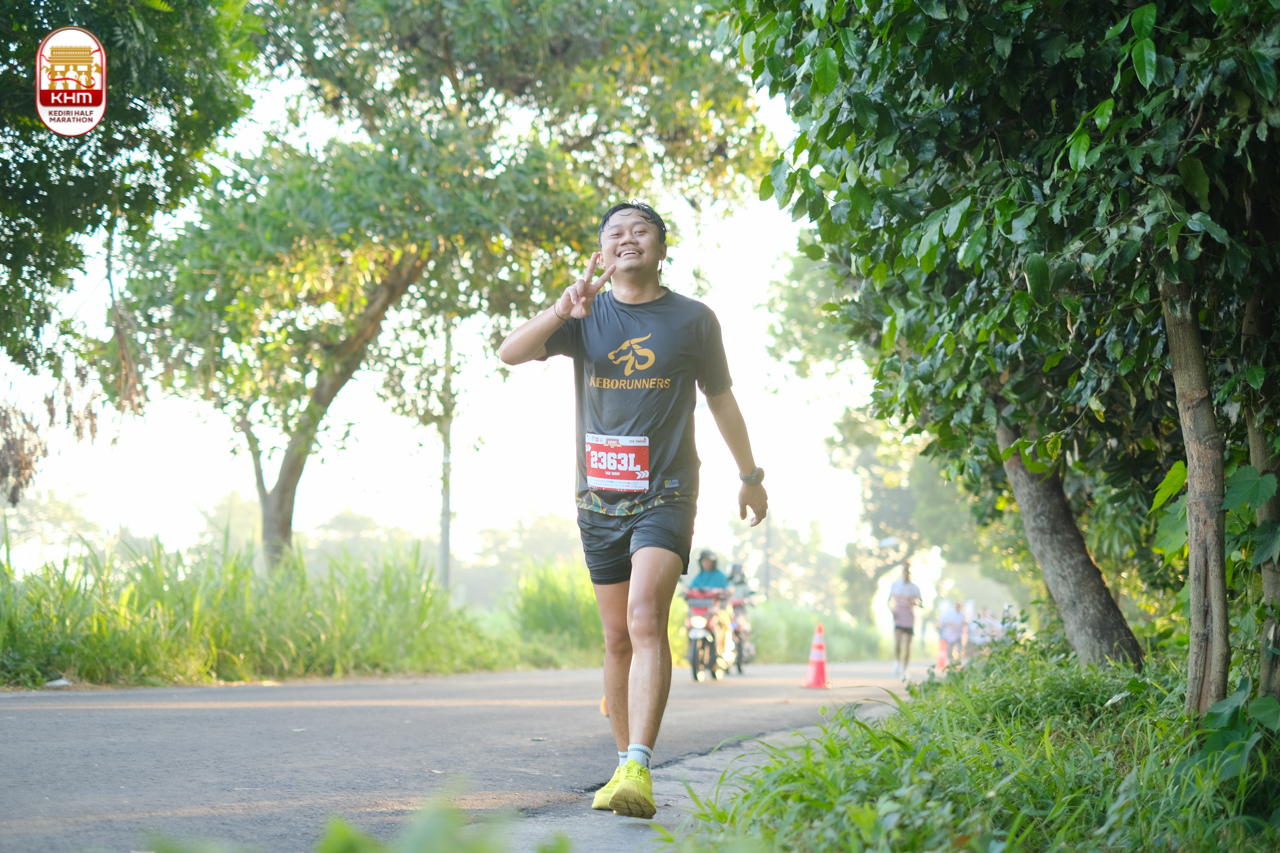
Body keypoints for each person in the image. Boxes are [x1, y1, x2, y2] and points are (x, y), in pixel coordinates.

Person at [497, 201, 768, 820]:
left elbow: (722, 401)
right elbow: (509, 353)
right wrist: (562, 309)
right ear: (601, 252)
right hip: (597, 497)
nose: (627, 239)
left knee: (646, 615)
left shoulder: (694, 320)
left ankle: (640, 765)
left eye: (640, 231)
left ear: (661, 249)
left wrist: (750, 476)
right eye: (615, 232)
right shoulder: (583, 314)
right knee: (617, 636)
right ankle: (623, 767)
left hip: (666, 491)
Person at [887, 564, 921, 677]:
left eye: (908, 571)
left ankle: (905, 669)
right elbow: (889, 600)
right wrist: (892, 611)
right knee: (898, 642)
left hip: (909, 618)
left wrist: (914, 601)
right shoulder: (896, 585)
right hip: (899, 617)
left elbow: (921, 603)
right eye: (904, 571)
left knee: (907, 645)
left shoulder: (915, 588)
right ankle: (897, 662)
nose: (906, 573)